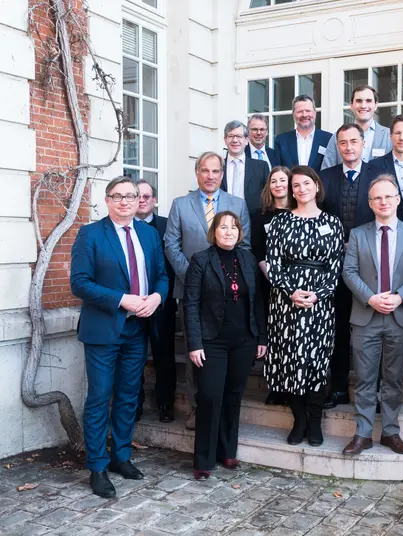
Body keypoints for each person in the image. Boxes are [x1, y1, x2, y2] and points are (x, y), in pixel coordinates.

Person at [70, 176, 169, 498]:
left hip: (137, 329)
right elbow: (80, 283)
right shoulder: (91, 235)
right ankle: (97, 466)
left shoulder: (149, 234)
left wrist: (156, 298)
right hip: (104, 329)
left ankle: (121, 457)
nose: (126, 201)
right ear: (108, 200)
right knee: (100, 397)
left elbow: (162, 276)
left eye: (131, 196)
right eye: (118, 196)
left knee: (128, 395)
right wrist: (120, 299)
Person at [341, 175, 403, 455]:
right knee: (365, 379)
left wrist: (399, 296)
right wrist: (370, 297)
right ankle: (363, 434)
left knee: (393, 379)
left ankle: (391, 433)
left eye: (388, 196)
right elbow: (349, 272)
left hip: (400, 316)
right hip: (366, 316)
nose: (383, 201)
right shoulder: (358, 234)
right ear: (370, 203)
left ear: (397, 199)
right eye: (377, 197)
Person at [164, 152, 251, 431]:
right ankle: (196, 407)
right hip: (192, 293)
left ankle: (224, 410)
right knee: (196, 352)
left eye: (215, 171)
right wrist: (193, 278)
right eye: (205, 170)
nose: (210, 175)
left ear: (222, 174)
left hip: (230, 296)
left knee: (225, 354)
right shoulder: (180, 205)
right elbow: (171, 245)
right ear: (197, 173)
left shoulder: (237, 204)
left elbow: (244, 246)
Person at [183, 211, 267, 481]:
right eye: (223, 227)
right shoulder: (200, 261)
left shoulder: (247, 259)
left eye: (234, 227)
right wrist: (194, 343)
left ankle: (227, 451)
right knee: (209, 397)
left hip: (243, 340)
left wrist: (261, 337)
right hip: (211, 342)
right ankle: (204, 460)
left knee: (233, 396)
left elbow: (257, 302)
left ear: (240, 232)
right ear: (214, 232)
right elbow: (191, 304)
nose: (229, 231)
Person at [265, 166, 344, 447]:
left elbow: (336, 267)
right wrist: (290, 292)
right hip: (286, 303)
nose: (301, 189)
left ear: (317, 186)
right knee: (291, 362)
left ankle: (314, 421)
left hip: (320, 305)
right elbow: (272, 265)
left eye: (306, 183)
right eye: (295, 185)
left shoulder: (333, 223)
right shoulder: (280, 222)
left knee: (316, 362)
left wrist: (318, 294)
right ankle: (298, 420)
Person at [319, 124, 376, 409]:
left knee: (369, 332)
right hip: (333, 268)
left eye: (354, 141)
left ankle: (370, 392)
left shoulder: (378, 177)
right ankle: (339, 388)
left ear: (363, 144)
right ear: (337, 147)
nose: (349, 147)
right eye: (343, 143)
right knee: (338, 329)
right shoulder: (325, 178)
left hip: (370, 268)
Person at [134, 180, 178, 424]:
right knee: (135, 357)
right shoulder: (125, 226)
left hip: (162, 303)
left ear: (154, 200)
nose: (142, 200)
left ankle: (165, 403)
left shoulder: (166, 226)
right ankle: (135, 404)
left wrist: (163, 295)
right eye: (138, 195)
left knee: (164, 354)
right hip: (132, 304)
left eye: (147, 196)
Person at [251, 166, 291, 406]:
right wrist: (276, 279)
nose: (278, 184)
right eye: (273, 181)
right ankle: (275, 385)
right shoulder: (260, 215)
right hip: (270, 283)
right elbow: (258, 250)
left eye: (283, 180)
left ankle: (292, 384)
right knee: (274, 335)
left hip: (298, 285)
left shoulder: (299, 212)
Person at [321, 84, 392, 170]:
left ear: (376, 105)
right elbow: (327, 172)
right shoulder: (337, 137)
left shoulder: (389, 136)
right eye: (359, 101)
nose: (363, 105)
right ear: (351, 105)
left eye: (368, 101)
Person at [221, 120, 269, 218]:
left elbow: (268, 198)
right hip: (223, 222)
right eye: (231, 136)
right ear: (225, 140)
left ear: (246, 140)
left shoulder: (261, 167)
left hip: (254, 224)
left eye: (239, 136)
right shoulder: (218, 167)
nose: (235, 140)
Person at [274, 94, 333, 174]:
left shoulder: (329, 139)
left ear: (315, 113)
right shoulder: (282, 140)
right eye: (300, 111)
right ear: (293, 114)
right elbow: (278, 172)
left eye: (308, 111)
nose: (304, 115)